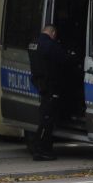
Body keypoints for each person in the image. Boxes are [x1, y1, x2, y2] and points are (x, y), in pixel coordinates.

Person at [28, 24, 70, 161]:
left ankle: (41, 147)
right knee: (47, 119)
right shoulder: (51, 45)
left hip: (40, 84)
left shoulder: (33, 44)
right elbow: (64, 60)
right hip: (51, 85)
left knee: (44, 116)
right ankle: (40, 149)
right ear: (52, 32)